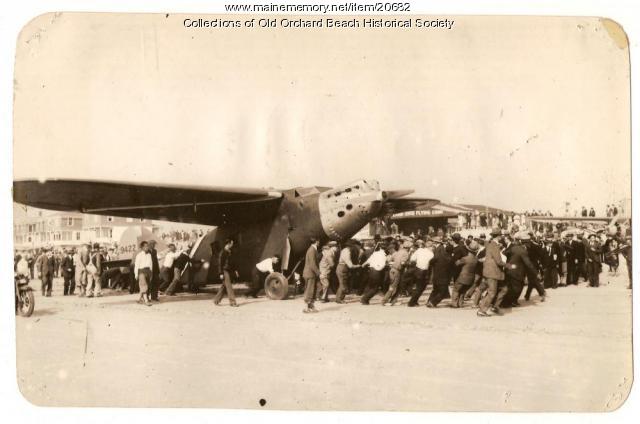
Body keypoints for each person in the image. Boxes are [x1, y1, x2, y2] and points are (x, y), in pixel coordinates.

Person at [477, 228, 516, 317]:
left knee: (504, 289)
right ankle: (482, 310)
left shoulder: (491, 244)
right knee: (492, 292)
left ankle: (495, 307)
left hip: (489, 272)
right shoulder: (494, 246)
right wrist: (510, 266)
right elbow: (499, 261)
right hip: (493, 273)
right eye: (501, 236)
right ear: (498, 236)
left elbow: (486, 244)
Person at [502, 232, 539, 307]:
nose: (528, 244)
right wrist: (536, 273)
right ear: (523, 242)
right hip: (517, 272)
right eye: (527, 243)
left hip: (510, 271)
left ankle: (511, 301)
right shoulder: (522, 250)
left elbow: (504, 253)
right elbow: (528, 263)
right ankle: (506, 303)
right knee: (517, 288)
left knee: (514, 287)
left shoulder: (513, 247)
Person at [381, 240, 411, 306]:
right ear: (408, 247)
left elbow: (390, 259)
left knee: (396, 286)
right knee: (393, 287)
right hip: (397, 271)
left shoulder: (398, 252)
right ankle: (384, 301)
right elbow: (402, 262)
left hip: (392, 270)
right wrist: (408, 263)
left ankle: (393, 300)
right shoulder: (406, 253)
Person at [451, 240, 479, 308]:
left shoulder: (465, 258)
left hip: (462, 277)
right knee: (463, 291)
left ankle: (454, 304)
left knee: (456, 289)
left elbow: (457, 263)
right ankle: (460, 303)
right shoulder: (476, 259)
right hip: (471, 279)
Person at [407, 239, 434, 307]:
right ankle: (412, 302)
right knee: (421, 288)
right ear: (430, 247)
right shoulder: (431, 254)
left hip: (417, 270)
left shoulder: (419, 250)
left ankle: (414, 301)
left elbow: (412, 259)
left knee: (418, 287)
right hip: (424, 271)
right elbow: (431, 263)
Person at [426, 237, 452, 307]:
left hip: (439, 271)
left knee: (436, 289)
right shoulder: (440, 249)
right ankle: (432, 302)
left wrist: (430, 262)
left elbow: (435, 258)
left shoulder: (439, 249)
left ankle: (430, 301)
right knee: (441, 291)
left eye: (434, 242)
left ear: (436, 243)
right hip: (441, 272)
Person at [213, 239, 239, 306]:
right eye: (232, 243)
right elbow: (220, 264)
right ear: (228, 244)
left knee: (224, 286)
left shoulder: (230, 251)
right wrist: (220, 273)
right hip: (225, 271)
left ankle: (216, 300)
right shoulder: (223, 252)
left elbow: (232, 262)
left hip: (229, 270)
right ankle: (233, 302)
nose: (232, 245)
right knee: (229, 286)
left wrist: (235, 270)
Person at [302, 238, 320, 313]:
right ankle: (307, 308)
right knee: (310, 290)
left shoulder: (312, 249)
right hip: (310, 273)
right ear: (316, 242)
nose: (319, 242)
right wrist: (318, 272)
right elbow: (312, 264)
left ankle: (311, 307)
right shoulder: (312, 250)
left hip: (309, 273)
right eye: (318, 241)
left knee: (312, 290)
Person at [134, 241, 153, 306]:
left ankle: (139, 299)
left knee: (146, 286)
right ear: (142, 247)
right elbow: (136, 265)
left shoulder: (149, 255)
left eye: (147, 246)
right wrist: (136, 274)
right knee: (144, 285)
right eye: (145, 246)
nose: (147, 247)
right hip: (141, 271)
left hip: (148, 271)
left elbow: (151, 264)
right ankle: (146, 301)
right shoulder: (139, 255)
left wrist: (151, 272)